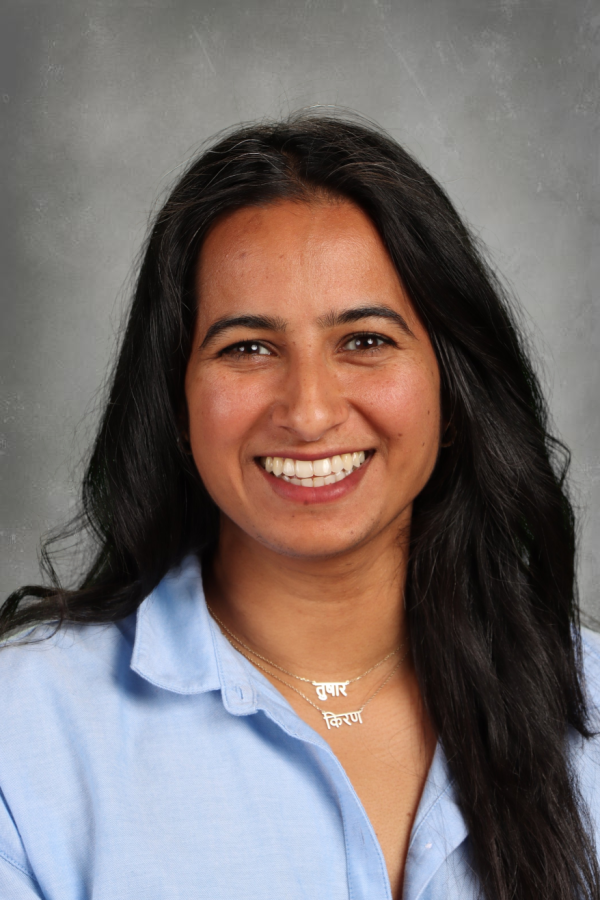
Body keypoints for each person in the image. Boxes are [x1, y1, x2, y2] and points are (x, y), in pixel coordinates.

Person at [1, 113, 599, 900]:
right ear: (176, 400)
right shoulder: (24, 732)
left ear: (454, 390)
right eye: (247, 347)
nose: (311, 412)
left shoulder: (586, 700)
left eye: (365, 341)